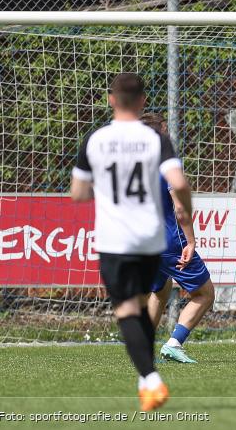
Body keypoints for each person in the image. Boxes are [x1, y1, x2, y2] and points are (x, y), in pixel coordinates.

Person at [70, 73, 192, 412]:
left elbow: (78, 194)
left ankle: (151, 379)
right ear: (141, 102)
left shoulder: (96, 139)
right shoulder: (155, 139)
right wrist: (188, 207)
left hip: (115, 239)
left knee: (127, 310)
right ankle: (144, 383)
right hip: (151, 239)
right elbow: (178, 182)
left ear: (111, 99)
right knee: (141, 306)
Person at [140, 113, 215, 364]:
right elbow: (181, 209)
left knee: (160, 292)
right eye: (165, 129)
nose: (169, 134)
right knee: (204, 294)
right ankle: (174, 343)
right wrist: (190, 241)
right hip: (170, 241)